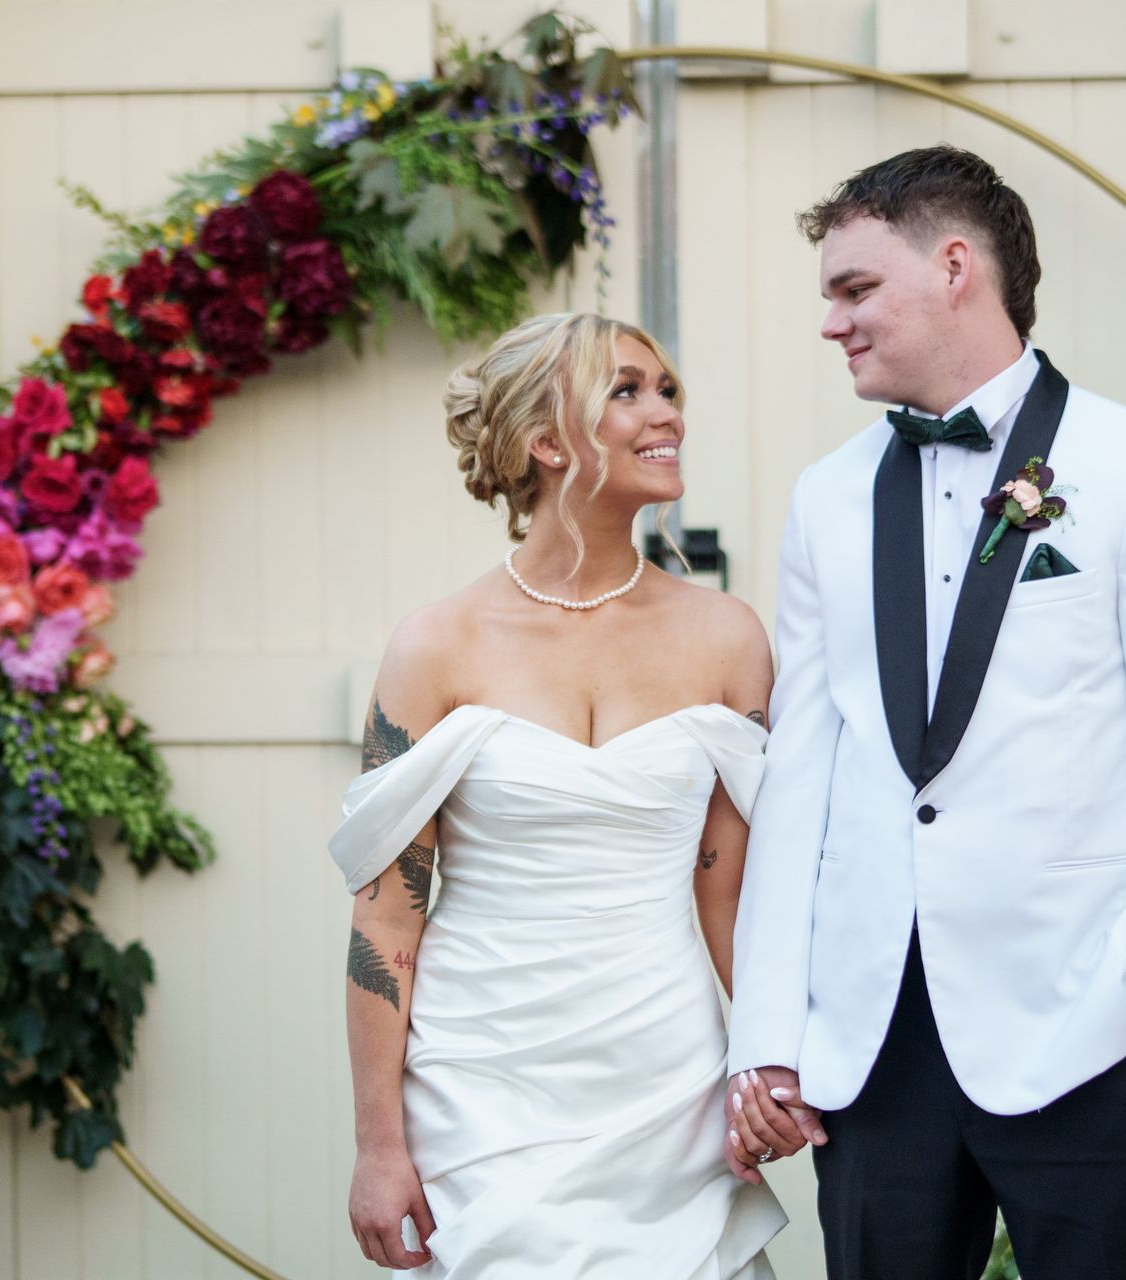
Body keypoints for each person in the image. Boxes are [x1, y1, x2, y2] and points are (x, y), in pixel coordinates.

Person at [725, 145, 1126, 1279]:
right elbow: (804, 778)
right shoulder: (825, 497)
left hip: (1089, 1030)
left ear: (956, 265)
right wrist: (772, 1034)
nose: (832, 323)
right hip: (875, 1049)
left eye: (854, 288)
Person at [327, 312, 786, 1276]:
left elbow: (732, 894)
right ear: (544, 440)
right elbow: (386, 924)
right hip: (482, 1083)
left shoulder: (728, 638)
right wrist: (379, 1145)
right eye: (627, 391)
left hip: (668, 1082)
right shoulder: (435, 646)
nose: (665, 414)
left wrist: (765, 1061)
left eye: (667, 392)